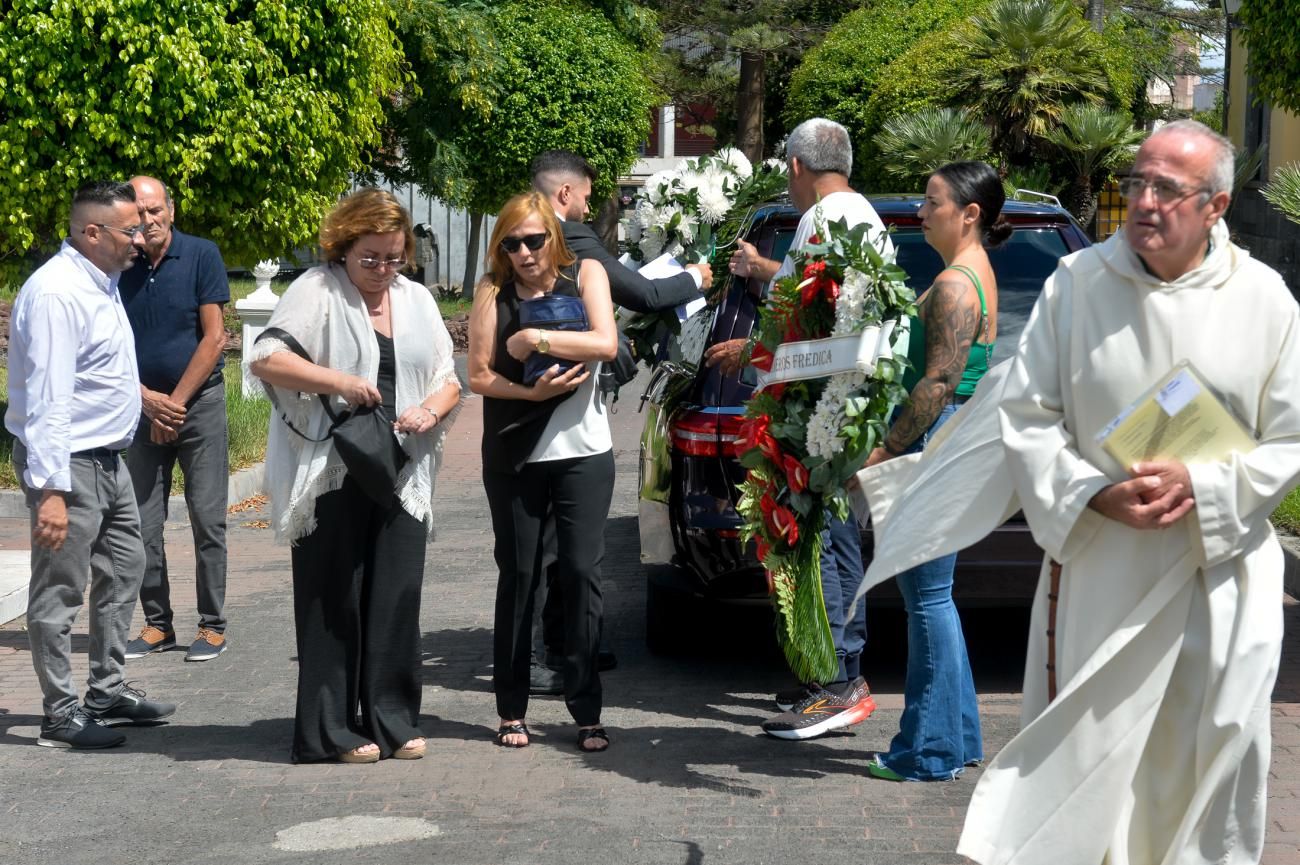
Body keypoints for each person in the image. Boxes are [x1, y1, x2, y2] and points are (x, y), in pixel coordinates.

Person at [856, 121, 1300, 862]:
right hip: (1104, 575)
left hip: (1215, 577)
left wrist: (1204, 482)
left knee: (1211, 763)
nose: (1145, 202)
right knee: (1096, 770)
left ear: (1217, 205)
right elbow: (1025, 417)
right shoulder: (1077, 283)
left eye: (1168, 188)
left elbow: (1288, 440)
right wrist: (1093, 490)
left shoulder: (1266, 301)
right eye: (1136, 183)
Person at [247, 188, 462, 764]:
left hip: (401, 464)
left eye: (394, 258)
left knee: (396, 599)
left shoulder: (415, 299)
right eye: (370, 258)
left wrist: (431, 411)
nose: (382, 269)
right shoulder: (316, 290)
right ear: (343, 245)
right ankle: (328, 731)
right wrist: (338, 381)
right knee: (332, 598)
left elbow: (448, 378)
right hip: (336, 468)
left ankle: (391, 719)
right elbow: (266, 357)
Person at [700, 119, 888, 740]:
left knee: (824, 544)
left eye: (787, 170)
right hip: (832, 405)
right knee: (827, 542)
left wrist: (756, 354)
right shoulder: (852, 217)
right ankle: (833, 674)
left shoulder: (828, 220)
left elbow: (820, 330)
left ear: (797, 167)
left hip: (822, 411)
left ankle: (838, 684)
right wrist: (764, 273)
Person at [525, 150, 716, 694]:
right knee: (549, 542)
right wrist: (697, 276)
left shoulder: (531, 229)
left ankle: (567, 643)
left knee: (564, 540)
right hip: (546, 401)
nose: (588, 204)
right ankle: (544, 652)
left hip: (560, 398)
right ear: (565, 193)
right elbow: (645, 294)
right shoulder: (565, 236)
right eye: (585, 194)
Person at [5, 180, 176, 749]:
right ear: (92, 231)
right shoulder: (57, 293)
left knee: (126, 567)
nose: (143, 236)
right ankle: (59, 715)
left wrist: (141, 404)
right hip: (69, 464)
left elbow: (103, 373)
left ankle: (106, 690)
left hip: (107, 460)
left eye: (144, 225)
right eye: (131, 229)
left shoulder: (101, 284)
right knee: (59, 590)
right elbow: (50, 399)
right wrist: (50, 489)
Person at [856, 161, 1009, 781]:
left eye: (932, 201)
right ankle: (956, 737)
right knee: (934, 599)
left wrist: (886, 450)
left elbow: (939, 382)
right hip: (952, 440)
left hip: (935, 443)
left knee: (926, 600)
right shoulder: (973, 275)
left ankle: (930, 750)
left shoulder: (954, 285)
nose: (921, 212)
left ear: (969, 213)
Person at [468, 191, 618, 751]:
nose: (525, 253)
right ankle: (511, 708)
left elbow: (606, 343)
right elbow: (480, 376)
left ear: (552, 238)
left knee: (580, 574)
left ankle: (586, 707)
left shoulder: (588, 276)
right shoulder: (492, 293)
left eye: (534, 240)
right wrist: (531, 394)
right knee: (520, 577)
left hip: (584, 452)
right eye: (512, 244)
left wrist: (538, 339)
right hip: (516, 454)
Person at [119, 175, 232, 663]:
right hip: (141, 410)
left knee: (207, 519)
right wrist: (147, 400)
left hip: (199, 405)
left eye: (154, 209)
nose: (148, 220)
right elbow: (110, 340)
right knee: (142, 523)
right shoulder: (120, 265)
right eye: (138, 213)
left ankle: (212, 625)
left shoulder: (202, 254)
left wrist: (175, 404)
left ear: (171, 209)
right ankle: (156, 624)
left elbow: (215, 338)